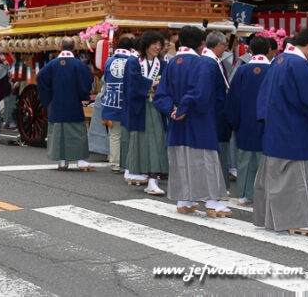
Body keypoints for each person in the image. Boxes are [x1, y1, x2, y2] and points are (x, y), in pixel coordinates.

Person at [254, 28, 308, 235]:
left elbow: (262, 96)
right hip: (294, 129)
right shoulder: (299, 65)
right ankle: (296, 220)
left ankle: (272, 218)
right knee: (295, 178)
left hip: (275, 128)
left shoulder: (278, 61)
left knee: (275, 178)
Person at [153, 25, 231, 217]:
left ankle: (184, 199)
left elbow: (160, 94)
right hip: (199, 120)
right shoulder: (203, 63)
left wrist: (172, 109)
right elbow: (201, 92)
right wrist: (184, 108)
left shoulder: (171, 63)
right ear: (202, 43)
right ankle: (212, 202)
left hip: (176, 121)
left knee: (181, 160)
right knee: (205, 160)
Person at [224, 36, 271, 206]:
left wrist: (233, 122)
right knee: (263, 160)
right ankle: (263, 194)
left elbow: (233, 99)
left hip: (244, 122)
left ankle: (244, 194)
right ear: (269, 51)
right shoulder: (272, 70)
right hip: (266, 123)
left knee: (244, 159)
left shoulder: (242, 71)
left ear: (250, 50)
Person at [36, 37, 94, 171]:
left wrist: (48, 96)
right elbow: (88, 80)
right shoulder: (79, 65)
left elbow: (40, 77)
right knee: (77, 130)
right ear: (74, 48)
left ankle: (62, 161)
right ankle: (80, 160)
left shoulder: (52, 64)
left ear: (61, 48)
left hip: (57, 103)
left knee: (58, 131)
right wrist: (83, 95)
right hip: (73, 103)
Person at [126, 31, 169, 196]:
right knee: (142, 142)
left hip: (156, 107)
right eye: (154, 44)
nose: (158, 48)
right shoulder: (134, 62)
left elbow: (166, 83)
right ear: (146, 45)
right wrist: (152, 84)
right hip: (140, 106)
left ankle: (153, 178)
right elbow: (132, 83)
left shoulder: (163, 64)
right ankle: (145, 175)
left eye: (160, 44)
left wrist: (155, 85)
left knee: (157, 141)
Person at [99, 37, 144, 182]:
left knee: (114, 134)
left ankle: (115, 163)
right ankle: (128, 162)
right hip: (126, 101)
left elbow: (105, 79)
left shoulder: (109, 61)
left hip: (111, 100)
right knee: (129, 134)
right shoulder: (133, 61)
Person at [200, 31, 231, 185]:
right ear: (219, 45)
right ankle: (217, 184)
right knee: (217, 149)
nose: (225, 49)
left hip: (213, 111)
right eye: (224, 46)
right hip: (215, 112)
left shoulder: (208, 60)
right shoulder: (209, 62)